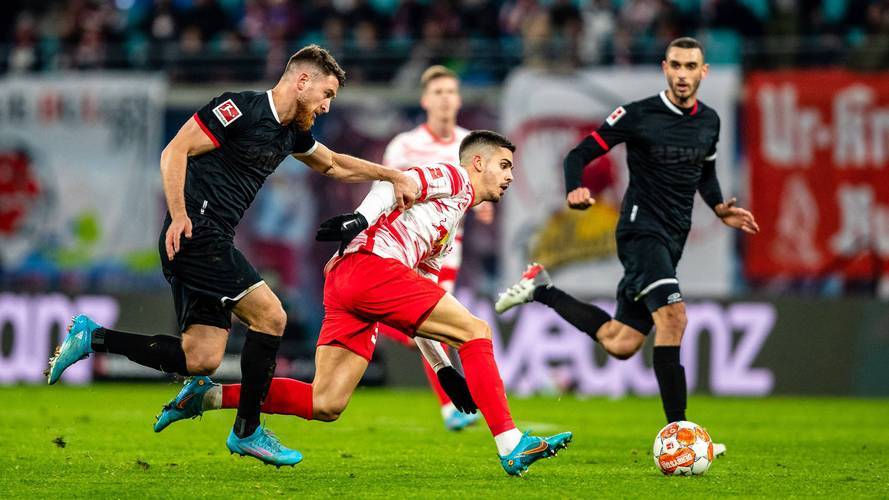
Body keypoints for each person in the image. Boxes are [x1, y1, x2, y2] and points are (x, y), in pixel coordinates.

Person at [45, 44, 419, 467]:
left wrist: (391, 175)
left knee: (200, 357)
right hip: (196, 233)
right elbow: (174, 152)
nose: (327, 107)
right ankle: (247, 430)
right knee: (271, 317)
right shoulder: (238, 108)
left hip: (212, 238)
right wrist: (179, 215)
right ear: (302, 81)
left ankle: (92, 337)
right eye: (326, 94)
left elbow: (332, 164)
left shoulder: (291, 132)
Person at [152, 130, 572, 476]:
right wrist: (360, 219)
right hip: (371, 268)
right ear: (477, 162)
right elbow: (395, 182)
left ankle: (206, 397)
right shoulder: (454, 178)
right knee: (476, 331)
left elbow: (424, 304)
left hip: (350, 281)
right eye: (505, 165)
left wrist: (444, 369)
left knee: (326, 402)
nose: (510, 176)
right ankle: (511, 443)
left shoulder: (446, 227)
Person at [495, 37, 759, 457]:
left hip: (672, 238)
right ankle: (681, 435)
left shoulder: (709, 121)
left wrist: (719, 208)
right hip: (640, 231)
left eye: (691, 66)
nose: (683, 74)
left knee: (621, 342)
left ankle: (541, 289)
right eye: (676, 65)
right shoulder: (638, 115)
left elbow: (705, 173)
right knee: (673, 318)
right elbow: (578, 154)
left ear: (703, 72)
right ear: (665, 68)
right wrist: (575, 187)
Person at [378, 65, 493, 431]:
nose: (446, 99)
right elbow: (385, 192)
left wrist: (484, 204)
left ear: (459, 100)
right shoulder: (404, 145)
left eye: (451, 92)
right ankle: (450, 406)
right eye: (438, 92)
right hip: (407, 248)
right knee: (429, 326)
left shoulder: (470, 145)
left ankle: (449, 407)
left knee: (429, 325)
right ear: (426, 100)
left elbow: (481, 189)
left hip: (448, 249)